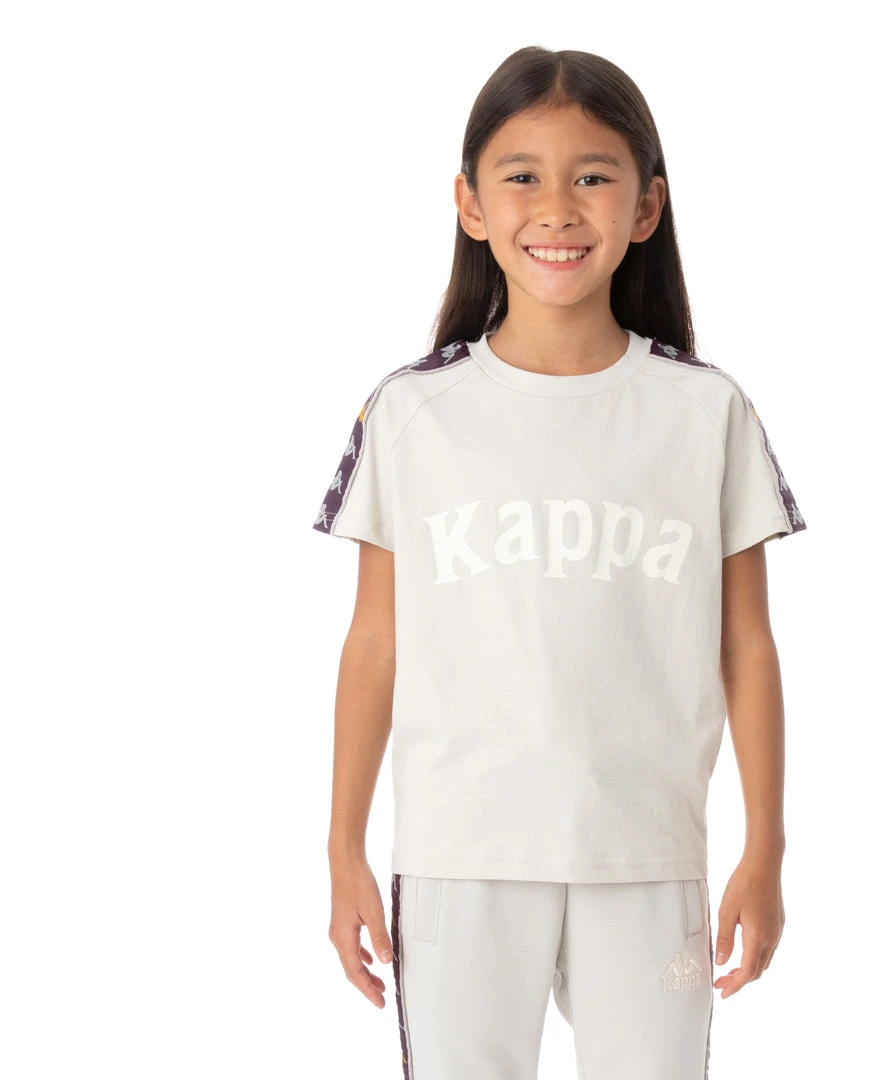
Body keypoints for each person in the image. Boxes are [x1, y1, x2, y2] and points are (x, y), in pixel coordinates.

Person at [314, 44, 807, 1080]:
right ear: (470, 203)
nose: (556, 208)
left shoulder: (706, 412)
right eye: (521, 176)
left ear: (646, 205)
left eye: (591, 176)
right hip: (458, 857)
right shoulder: (412, 412)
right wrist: (341, 847)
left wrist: (764, 849)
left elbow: (748, 647)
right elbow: (375, 642)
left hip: (646, 852)